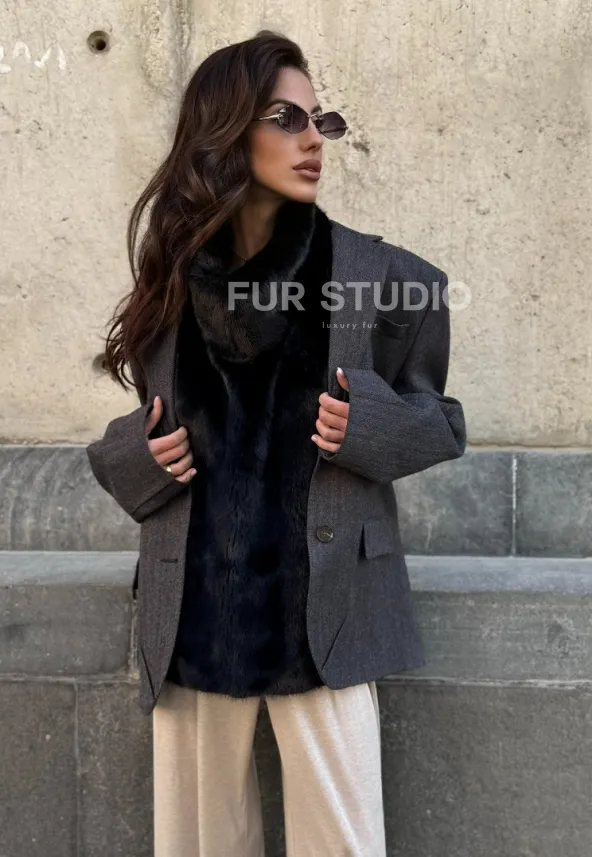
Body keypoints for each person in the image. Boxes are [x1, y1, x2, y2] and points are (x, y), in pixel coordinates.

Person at [86, 29, 467, 857]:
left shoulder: (381, 278)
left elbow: (441, 422)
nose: (312, 140)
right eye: (285, 118)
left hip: (321, 612)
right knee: (200, 845)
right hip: (194, 613)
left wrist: (367, 425)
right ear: (225, 132)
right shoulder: (172, 277)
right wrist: (140, 459)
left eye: (319, 120)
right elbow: (136, 437)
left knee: (344, 843)